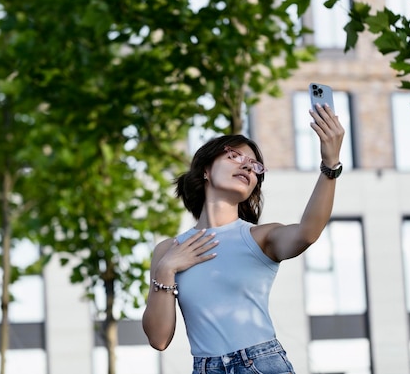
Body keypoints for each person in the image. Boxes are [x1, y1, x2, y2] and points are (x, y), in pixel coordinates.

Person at [142, 103, 345, 374]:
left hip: (261, 363)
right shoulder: (168, 250)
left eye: (254, 166)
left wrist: (329, 165)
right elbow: (158, 339)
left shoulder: (260, 237)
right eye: (235, 157)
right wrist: (167, 269)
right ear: (205, 170)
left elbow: (308, 232)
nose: (248, 167)